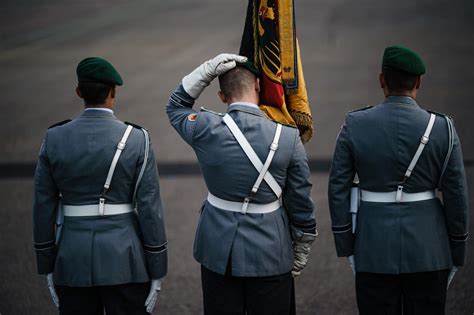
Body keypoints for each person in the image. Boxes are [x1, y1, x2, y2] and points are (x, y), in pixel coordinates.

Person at [166, 53, 317, 314]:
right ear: (258, 86)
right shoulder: (287, 137)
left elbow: (176, 106)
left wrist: (206, 71)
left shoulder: (204, 128)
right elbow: (300, 199)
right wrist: (302, 243)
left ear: (222, 97)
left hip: (217, 248)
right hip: (271, 248)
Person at [328, 45, 469, 315]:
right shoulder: (442, 128)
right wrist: (457, 249)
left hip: (373, 248)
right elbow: (456, 194)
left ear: (382, 80)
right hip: (430, 249)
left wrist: (346, 244)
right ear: (419, 82)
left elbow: (338, 187)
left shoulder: (355, 124)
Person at [33, 57, 167, 315]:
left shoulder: (54, 138)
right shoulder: (137, 139)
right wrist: (157, 267)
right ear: (113, 92)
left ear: (79, 92)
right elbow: (150, 208)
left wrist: (47, 264)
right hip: (126, 260)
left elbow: (43, 205)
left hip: (72, 259)